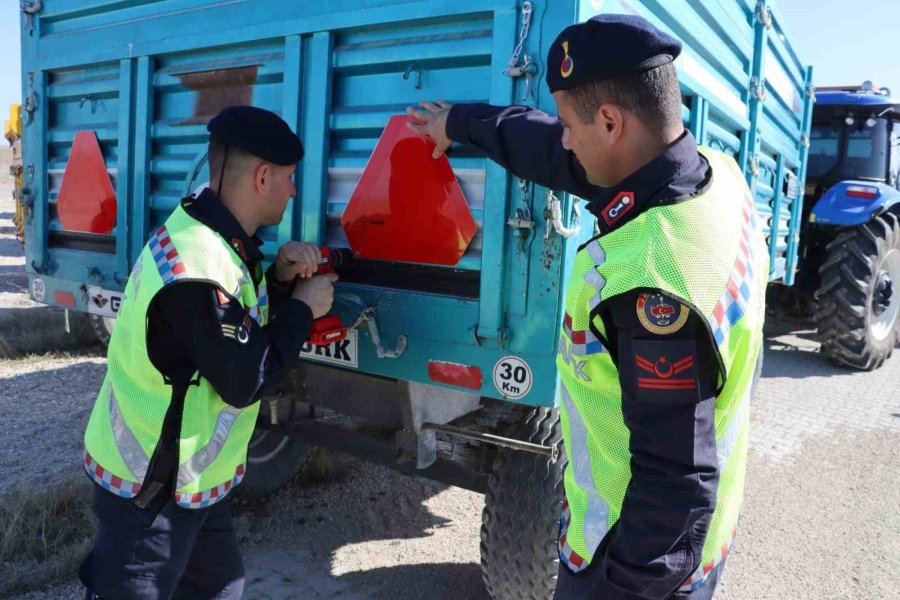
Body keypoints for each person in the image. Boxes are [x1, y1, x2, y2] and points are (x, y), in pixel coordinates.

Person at [408, 14, 768, 600]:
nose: (565, 138)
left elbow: (674, 482)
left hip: (634, 565)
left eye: (573, 124)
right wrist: (461, 123)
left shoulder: (651, 284)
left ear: (610, 122)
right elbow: (551, 150)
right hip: (704, 544)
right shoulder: (717, 177)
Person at [78, 105, 337, 599]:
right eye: (289, 178)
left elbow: (228, 323)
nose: (294, 190)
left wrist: (280, 282)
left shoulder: (204, 230)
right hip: (151, 491)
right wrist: (302, 310)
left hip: (192, 481)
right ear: (262, 177)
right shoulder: (198, 269)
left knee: (220, 588)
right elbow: (247, 379)